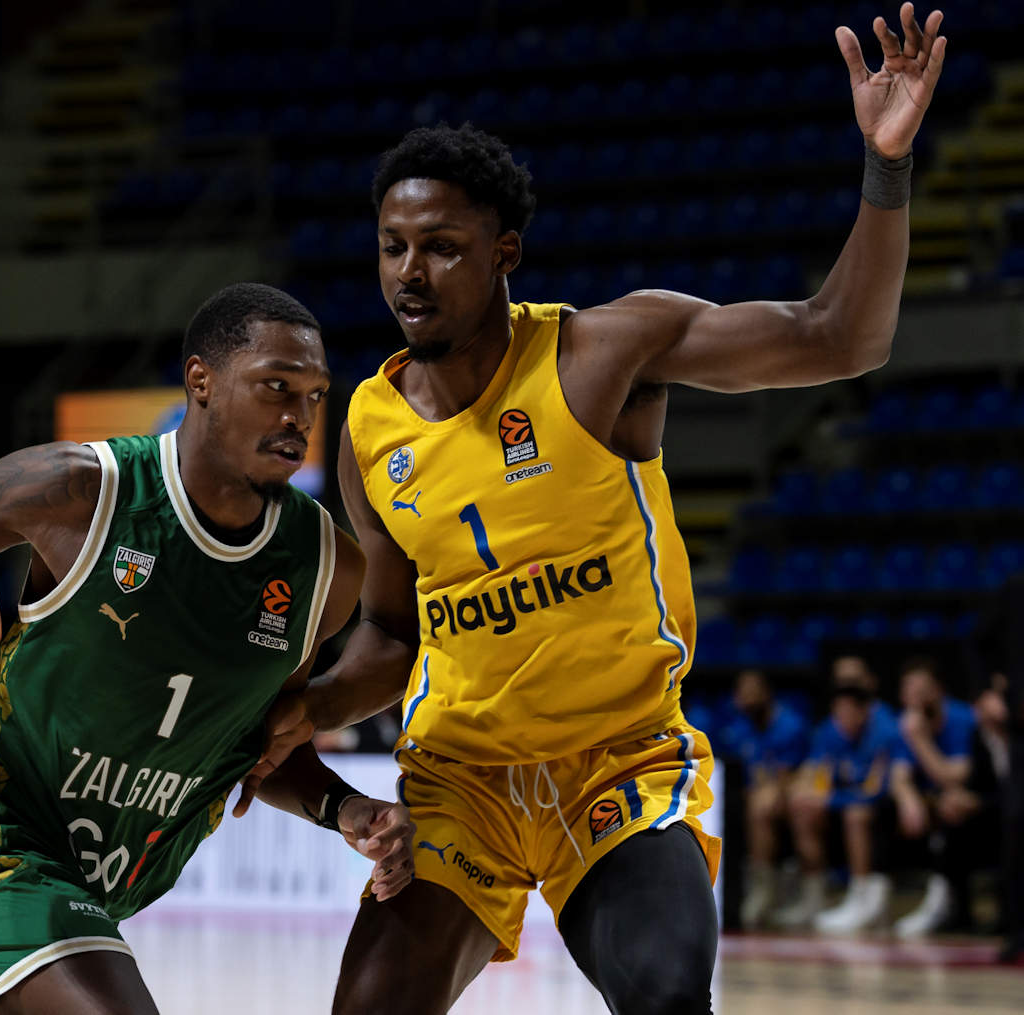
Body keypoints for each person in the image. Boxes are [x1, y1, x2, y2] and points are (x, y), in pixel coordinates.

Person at [247, 7, 946, 1011]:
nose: (409, 272)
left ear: (505, 252)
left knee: (666, 997)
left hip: (616, 767)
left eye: (442, 247)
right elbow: (394, 634)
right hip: (464, 781)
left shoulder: (604, 354)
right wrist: (305, 709)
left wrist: (886, 165)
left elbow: (840, 338)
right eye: (393, 246)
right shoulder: (368, 424)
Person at [0, 283, 414, 1015]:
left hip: (94, 894)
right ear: (201, 381)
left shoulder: (324, 568)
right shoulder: (78, 489)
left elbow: (256, 742)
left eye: (314, 395)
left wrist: (345, 807)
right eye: (276, 386)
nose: (298, 415)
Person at [779, 659, 905, 933]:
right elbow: (813, 772)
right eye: (838, 712)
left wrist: (827, 799)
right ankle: (815, 895)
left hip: (883, 807)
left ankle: (861, 897)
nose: (842, 718)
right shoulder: (830, 729)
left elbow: (875, 791)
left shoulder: (885, 729)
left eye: (848, 712)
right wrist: (802, 791)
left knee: (855, 815)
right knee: (802, 807)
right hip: (843, 803)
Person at [887, 656, 981, 937]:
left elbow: (955, 777)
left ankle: (943, 902)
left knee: (951, 805)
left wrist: (920, 740)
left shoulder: (962, 719)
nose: (916, 699)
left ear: (939, 691)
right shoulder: (906, 722)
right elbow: (899, 776)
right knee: (874, 810)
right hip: (930, 800)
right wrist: (908, 799)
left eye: (922, 691)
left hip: (977, 800)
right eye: (910, 692)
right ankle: (871, 897)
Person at [715, 669, 809, 929]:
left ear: (767, 693)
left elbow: (788, 776)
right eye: (742, 693)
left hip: (792, 791)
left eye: (752, 692)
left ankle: (764, 891)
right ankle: (733, 889)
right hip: (749, 794)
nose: (746, 699)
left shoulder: (790, 726)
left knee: (762, 807)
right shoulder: (737, 729)